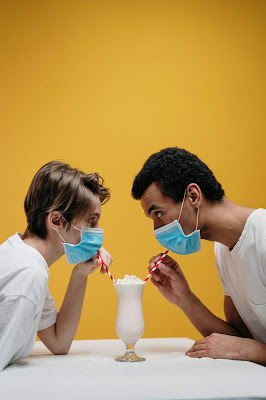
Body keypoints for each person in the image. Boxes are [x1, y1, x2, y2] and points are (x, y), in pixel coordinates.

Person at [132, 147, 266, 366]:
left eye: (158, 213)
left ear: (193, 196)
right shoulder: (223, 250)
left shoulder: (263, 237)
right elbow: (237, 338)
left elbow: (242, 346)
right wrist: (184, 299)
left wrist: (245, 349)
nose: (157, 229)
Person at [0, 161, 113, 372]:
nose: (98, 231)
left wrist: (80, 273)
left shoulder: (24, 259)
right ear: (57, 221)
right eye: (92, 221)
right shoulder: (28, 274)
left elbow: (59, 342)